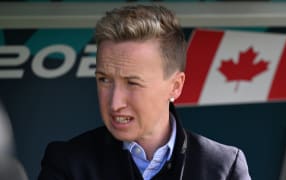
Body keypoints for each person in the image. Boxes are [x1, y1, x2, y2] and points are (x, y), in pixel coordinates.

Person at [38, 5, 251, 180]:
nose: (115, 103)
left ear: (176, 86)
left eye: (132, 83)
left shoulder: (224, 167)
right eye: (104, 80)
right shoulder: (66, 163)